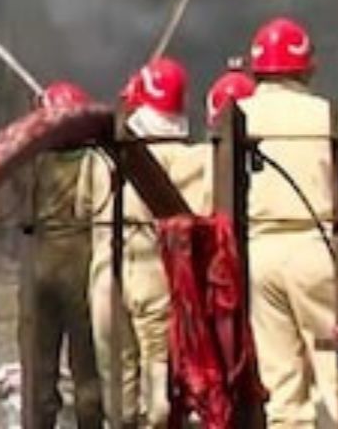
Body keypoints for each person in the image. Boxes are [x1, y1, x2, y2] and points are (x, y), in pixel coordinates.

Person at [236, 17, 338, 428]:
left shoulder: (236, 118)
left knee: (282, 388)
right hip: (315, 249)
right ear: (307, 66)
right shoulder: (327, 116)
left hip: (257, 256)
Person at [83, 57, 211, 426]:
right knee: (158, 367)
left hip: (105, 272)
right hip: (154, 273)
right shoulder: (190, 158)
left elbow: (82, 208)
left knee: (115, 377)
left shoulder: (98, 157)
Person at [23, 82, 107, 429]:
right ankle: (90, 421)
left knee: (38, 361)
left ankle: (39, 421)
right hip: (81, 261)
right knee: (86, 363)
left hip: (40, 261)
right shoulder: (96, 159)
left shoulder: (34, 160)